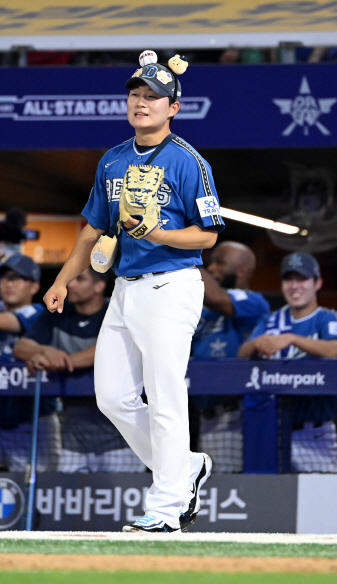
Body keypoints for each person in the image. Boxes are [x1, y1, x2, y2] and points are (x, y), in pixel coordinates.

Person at [41, 50, 224, 533]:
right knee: (114, 397)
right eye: (136, 95)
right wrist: (61, 279)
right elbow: (90, 230)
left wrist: (157, 233)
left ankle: (165, 509)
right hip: (125, 287)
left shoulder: (189, 162)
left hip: (172, 284)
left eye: (153, 97)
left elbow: (208, 236)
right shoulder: (113, 159)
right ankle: (184, 467)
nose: (141, 103)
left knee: (165, 397)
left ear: (173, 108)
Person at [15, 268, 144, 473]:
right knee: (63, 502)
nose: (70, 285)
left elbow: (111, 348)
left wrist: (61, 361)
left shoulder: (119, 311)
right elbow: (21, 347)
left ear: (99, 286)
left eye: (80, 279)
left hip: (121, 440)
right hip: (72, 440)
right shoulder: (57, 314)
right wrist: (45, 351)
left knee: (119, 504)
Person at [238, 252, 337, 472]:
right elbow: (242, 354)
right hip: (271, 427)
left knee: (317, 500)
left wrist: (291, 338)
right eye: (288, 279)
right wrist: (258, 343)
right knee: (270, 497)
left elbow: (335, 350)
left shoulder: (329, 317)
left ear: (317, 282)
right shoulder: (271, 319)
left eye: (302, 279)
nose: (294, 286)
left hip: (315, 433)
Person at [192, 241, 269, 472]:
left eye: (220, 262)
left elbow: (218, 299)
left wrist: (187, 257)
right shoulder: (203, 309)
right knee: (209, 490)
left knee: (232, 488)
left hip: (236, 417)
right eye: (210, 262)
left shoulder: (255, 302)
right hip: (204, 415)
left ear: (242, 270)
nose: (212, 268)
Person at [0, 254, 58, 472]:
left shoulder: (40, 314)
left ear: (34, 287)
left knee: (42, 488)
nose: (9, 284)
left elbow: (8, 322)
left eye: (17, 278)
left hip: (33, 419)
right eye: (5, 278)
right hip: (3, 414)